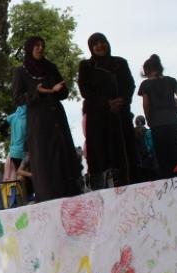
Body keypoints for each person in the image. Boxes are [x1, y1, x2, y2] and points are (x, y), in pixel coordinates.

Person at [12, 36, 81, 202]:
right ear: (29, 48)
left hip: (56, 117)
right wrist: (38, 93)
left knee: (62, 153)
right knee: (44, 158)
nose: (40, 48)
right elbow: (17, 98)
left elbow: (64, 93)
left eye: (42, 46)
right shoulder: (21, 71)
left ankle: (70, 194)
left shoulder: (50, 67)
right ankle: (48, 197)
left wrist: (59, 89)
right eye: (36, 46)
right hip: (38, 120)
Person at [78, 32, 138, 189]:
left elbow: (130, 85)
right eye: (95, 44)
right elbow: (85, 91)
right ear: (91, 48)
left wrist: (122, 101)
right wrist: (107, 103)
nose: (99, 46)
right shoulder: (86, 66)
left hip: (120, 116)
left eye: (102, 42)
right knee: (103, 158)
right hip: (98, 120)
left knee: (125, 157)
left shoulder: (120, 63)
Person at [138, 54, 177, 179]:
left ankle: (168, 184)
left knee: (162, 158)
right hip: (174, 123)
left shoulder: (146, 85)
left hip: (157, 124)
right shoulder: (171, 81)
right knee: (175, 154)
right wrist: (176, 113)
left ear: (146, 70)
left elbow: (146, 105)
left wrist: (149, 119)